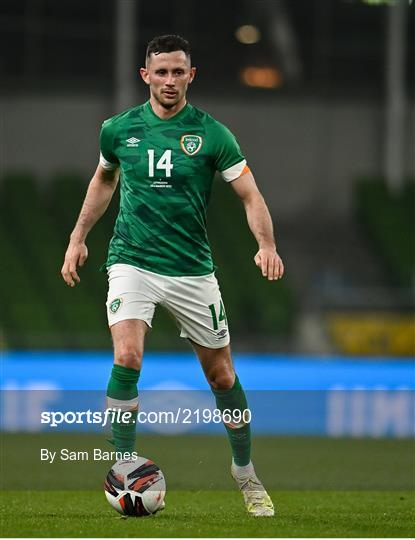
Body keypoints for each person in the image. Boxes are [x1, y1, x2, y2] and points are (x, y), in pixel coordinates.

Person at [61, 34, 284, 517]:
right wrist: (79, 237)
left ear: (190, 76)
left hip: (190, 269)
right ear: (145, 76)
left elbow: (250, 195)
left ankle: (245, 474)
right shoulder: (118, 130)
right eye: (160, 72)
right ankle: (123, 469)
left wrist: (265, 244)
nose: (168, 80)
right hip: (131, 259)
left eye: (177, 71)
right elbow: (103, 179)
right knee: (128, 354)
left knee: (222, 377)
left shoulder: (213, 135)